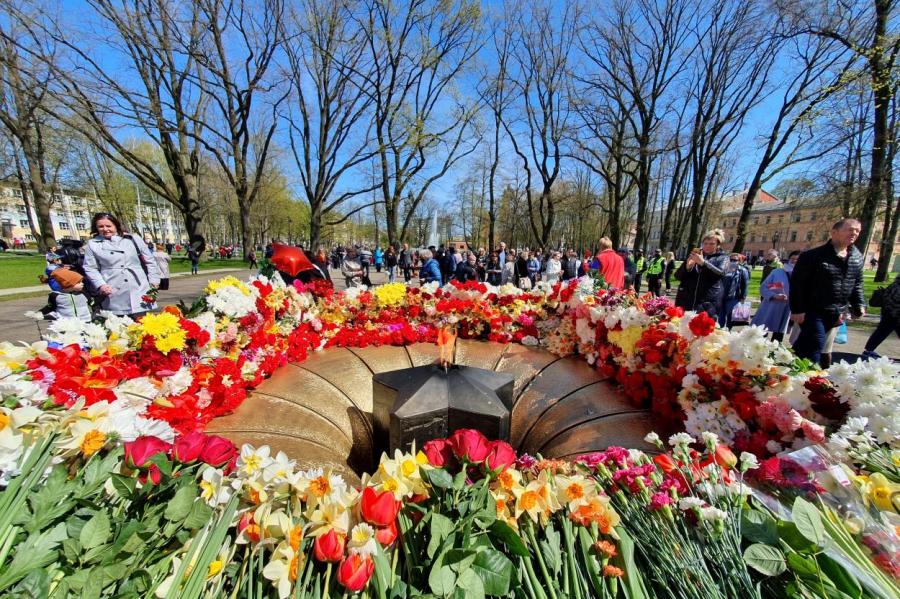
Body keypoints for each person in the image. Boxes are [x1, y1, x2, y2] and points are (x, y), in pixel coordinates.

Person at [790, 218, 866, 367]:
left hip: (836, 311)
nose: (854, 233)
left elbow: (857, 283)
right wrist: (797, 310)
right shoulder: (812, 256)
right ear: (834, 232)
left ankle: (786, 368)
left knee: (805, 344)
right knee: (816, 343)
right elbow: (797, 284)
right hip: (813, 310)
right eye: (850, 229)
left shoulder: (856, 257)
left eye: (857, 231)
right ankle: (812, 380)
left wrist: (859, 304)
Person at [83, 212, 161, 318]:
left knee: (141, 321)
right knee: (118, 323)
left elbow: (150, 260)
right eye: (101, 226)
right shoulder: (93, 244)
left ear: (116, 225)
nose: (105, 229)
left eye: (108, 226)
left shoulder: (132, 239)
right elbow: (90, 268)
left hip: (138, 285)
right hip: (112, 286)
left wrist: (154, 279)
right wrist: (101, 285)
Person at [673, 229, 729, 317]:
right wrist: (687, 267)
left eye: (712, 244)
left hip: (707, 302)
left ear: (718, 245)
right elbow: (678, 276)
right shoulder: (695, 255)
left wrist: (703, 263)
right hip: (686, 300)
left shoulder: (722, 258)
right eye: (705, 243)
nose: (708, 246)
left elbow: (720, 274)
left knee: (702, 328)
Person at [753, 250, 800, 342]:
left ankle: (773, 353)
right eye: (792, 258)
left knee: (778, 337)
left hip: (787, 308)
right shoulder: (777, 272)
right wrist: (774, 295)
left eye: (797, 259)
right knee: (762, 333)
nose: (794, 261)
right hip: (771, 306)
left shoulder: (803, 275)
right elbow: (764, 288)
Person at [862, 273, 900, 359]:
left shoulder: (896, 283)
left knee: (883, 330)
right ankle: (868, 350)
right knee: (883, 330)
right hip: (893, 311)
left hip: (889, 309)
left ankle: (868, 350)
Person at [718, 253, 749, 328]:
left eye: (735, 260)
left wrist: (743, 296)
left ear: (739, 261)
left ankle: (728, 331)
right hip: (721, 296)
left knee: (730, 317)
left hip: (734, 297)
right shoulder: (724, 268)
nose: (732, 261)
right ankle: (720, 331)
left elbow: (745, 284)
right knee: (720, 317)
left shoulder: (742, 270)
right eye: (731, 260)